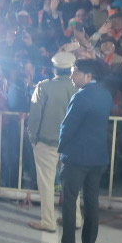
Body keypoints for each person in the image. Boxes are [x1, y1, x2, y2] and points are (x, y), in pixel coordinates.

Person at [50, 61, 113, 243]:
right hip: (98, 157)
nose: (71, 76)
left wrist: (60, 149)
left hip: (77, 157)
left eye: (74, 73)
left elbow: (68, 127)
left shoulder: (81, 97)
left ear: (87, 75)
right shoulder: (105, 95)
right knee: (92, 201)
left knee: (69, 200)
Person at [27, 51, 76, 232]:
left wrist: (32, 136)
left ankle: (48, 220)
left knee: (46, 182)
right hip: (71, 143)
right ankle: (75, 218)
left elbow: (35, 116)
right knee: (71, 182)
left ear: (54, 69)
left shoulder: (43, 87)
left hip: (47, 141)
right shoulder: (78, 88)